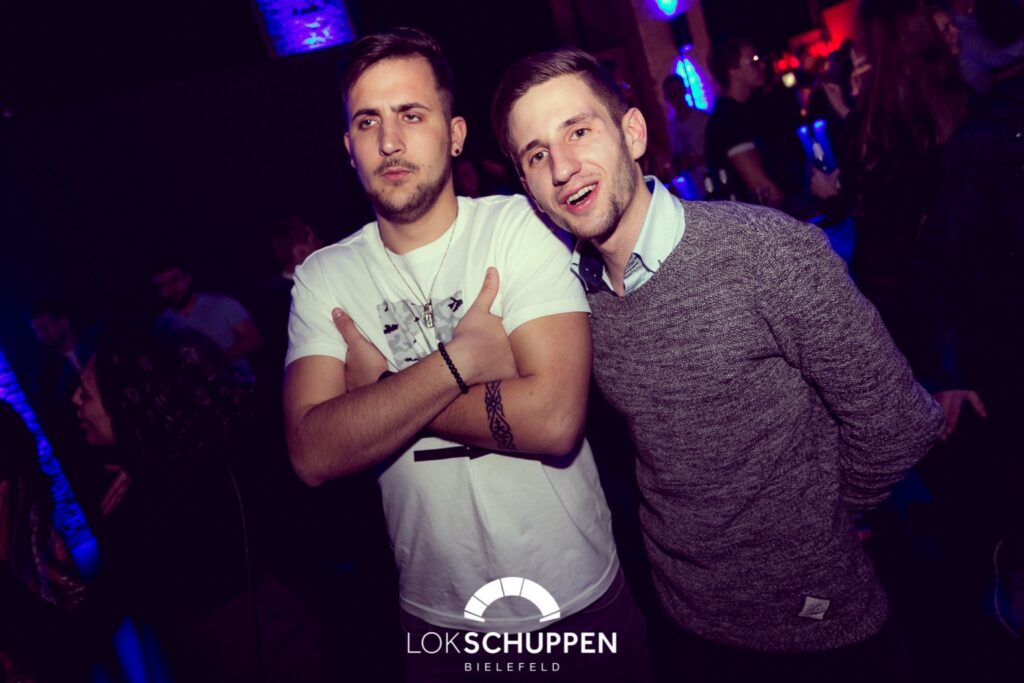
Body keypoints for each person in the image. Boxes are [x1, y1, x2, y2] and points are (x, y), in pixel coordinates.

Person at [493, 47, 944, 682]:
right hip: (683, 623)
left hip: (814, 629)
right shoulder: (575, 302)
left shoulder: (768, 253)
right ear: (528, 188)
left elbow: (897, 423)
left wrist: (816, 527)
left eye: (579, 131)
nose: (563, 167)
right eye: (537, 155)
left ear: (632, 133)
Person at [283, 28, 647, 682]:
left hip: (575, 596)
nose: (389, 142)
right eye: (367, 122)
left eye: (410, 115)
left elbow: (554, 418)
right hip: (442, 625)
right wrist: (458, 363)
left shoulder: (519, 226)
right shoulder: (325, 276)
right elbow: (312, 453)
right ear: (348, 148)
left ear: (454, 135)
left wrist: (384, 392)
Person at [152, 258, 263, 385]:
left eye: (175, 280)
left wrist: (216, 362)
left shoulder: (222, 304)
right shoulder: (162, 323)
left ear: (187, 279)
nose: (171, 289)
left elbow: (254, 338)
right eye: (163, 285)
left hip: (238, 385)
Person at [704, 39, 785, 206]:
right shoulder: (729, 118)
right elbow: (761, 186)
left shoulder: (747, 108)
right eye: (754, 61)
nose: (763, 65)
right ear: (734, 73)